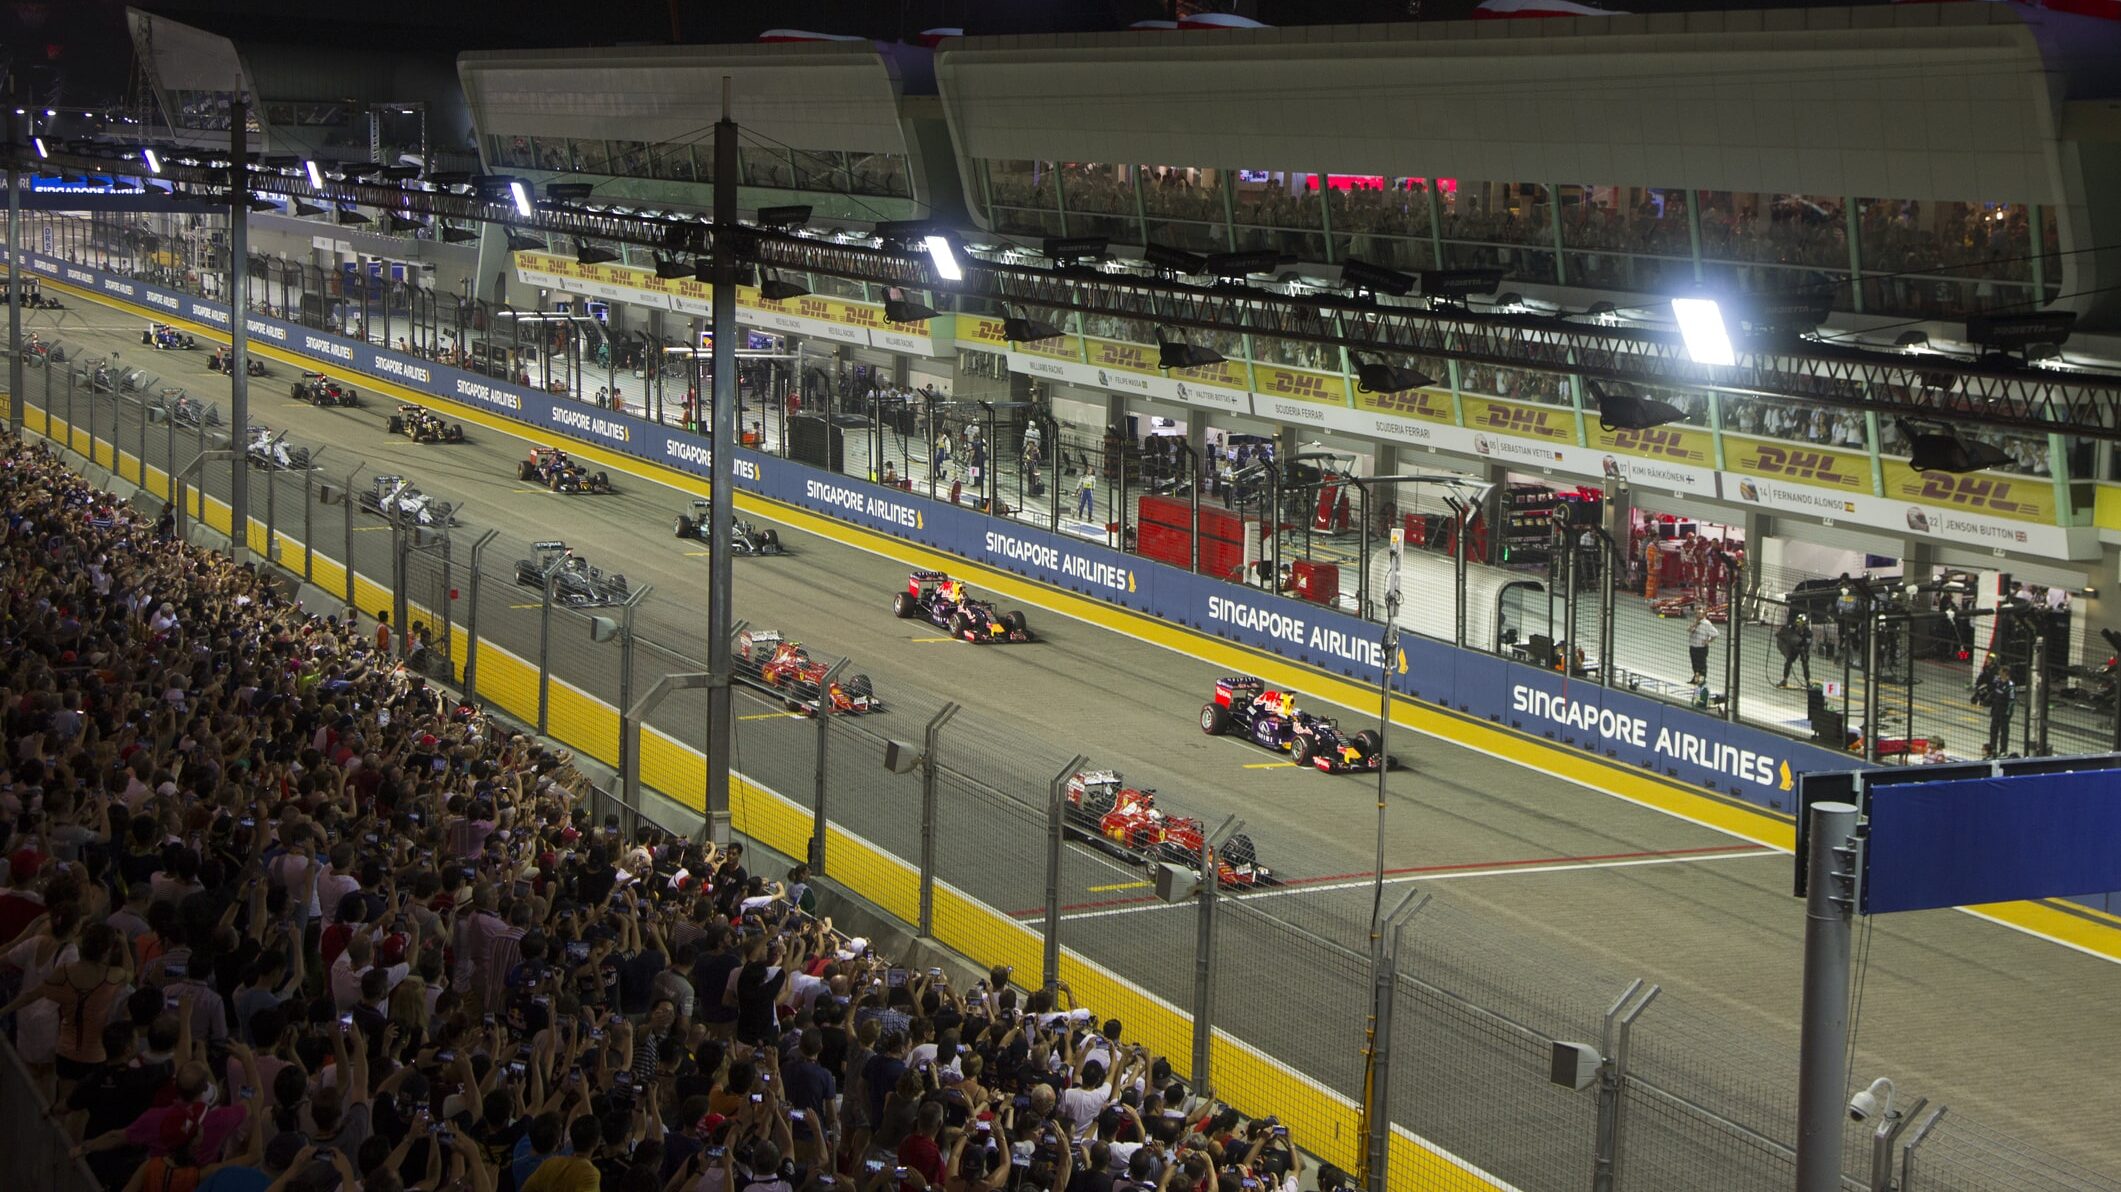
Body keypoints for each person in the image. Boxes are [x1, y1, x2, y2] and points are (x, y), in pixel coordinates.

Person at [1775, 614, 1814, 688]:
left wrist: (1803, 651)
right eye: (1797, 623)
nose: (1798, 625)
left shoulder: (1808, 633)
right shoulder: (1792, 627)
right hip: (1794, 648)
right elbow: (1784, 632)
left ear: (1804, 624)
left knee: (1805, 665)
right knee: (1788, 662)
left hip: (1803, 649)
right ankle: (1784, 680)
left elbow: (1807, 645)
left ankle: (1808, 683)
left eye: (1800, 624)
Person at [1985, 670, 2017, 758]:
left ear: (2007, 675)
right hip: (1996, 711)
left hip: (2004, 714)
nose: (2000, 675)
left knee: (2004, 732)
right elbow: (1994, 694)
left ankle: (2003, 751)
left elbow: (2011, 701)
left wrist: (2007, 714)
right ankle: (1992, 749)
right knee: (1993, 730)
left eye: (2002, 674)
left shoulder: (2010, 687)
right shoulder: (1998, 683)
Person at [1687, 607, 1719, 679]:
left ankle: (1703, 678)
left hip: (1701, 648)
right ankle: (1696, 677)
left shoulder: (1706, 623)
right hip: (1693, 646)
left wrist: (1709, 641)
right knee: (1694, 664)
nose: (1697, 615)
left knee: (1701, 664)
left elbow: (1716, 634)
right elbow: (1689, 630)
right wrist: (1695, 624)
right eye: (1697, 613)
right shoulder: (1695, 622)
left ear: (1704, 615)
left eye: (1699, 614)